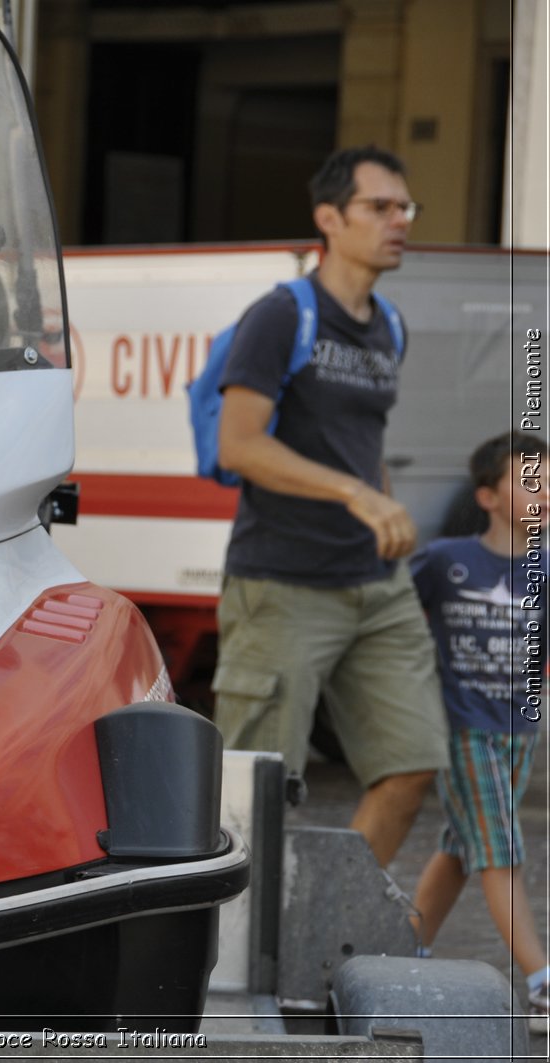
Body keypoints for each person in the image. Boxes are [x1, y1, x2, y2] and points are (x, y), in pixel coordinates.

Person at [212, 145, 446, 867]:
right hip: (282, 585)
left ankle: (323, 929)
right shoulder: (281, 316)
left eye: (405, 207)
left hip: (375, 585)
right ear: (329, 219)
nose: (398, 221)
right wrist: (355, 493)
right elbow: (240, 446)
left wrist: (382, 502)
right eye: (379, 207)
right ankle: (234, 963)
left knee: (410, 769)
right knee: (253, 796)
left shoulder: (389, 326)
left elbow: (360, 442)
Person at [409, 431, 548, 1030]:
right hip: (463, 727)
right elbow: (392, 624)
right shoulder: (445, 560)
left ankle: (404, 948)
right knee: (501, 849)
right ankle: (542, 982)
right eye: (528, 480)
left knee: (464, 848)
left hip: (521, 730)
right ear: (488, 496)